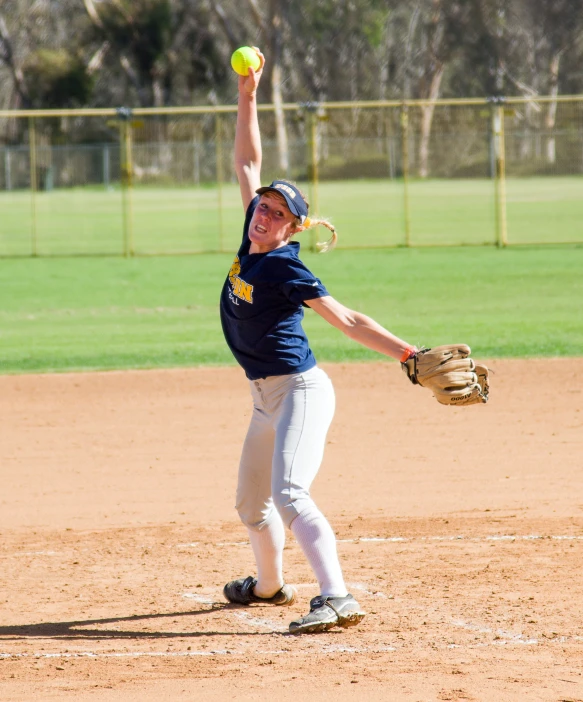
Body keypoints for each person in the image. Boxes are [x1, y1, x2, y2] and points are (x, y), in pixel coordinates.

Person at [219, 48, 418, 635]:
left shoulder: (285, 268)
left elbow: (347, 319)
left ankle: (338, 596)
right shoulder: (253, 235)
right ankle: (269, 586)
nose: (263, 214)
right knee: (250, 506)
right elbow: (247, 162)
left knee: (289, 492)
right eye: (264, 206)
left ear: (292, 228)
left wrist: (409, 355)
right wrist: (249, 94)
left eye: (278, 213)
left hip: (300, 391)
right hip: (263, 399)